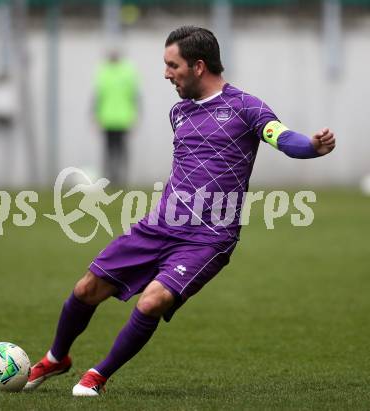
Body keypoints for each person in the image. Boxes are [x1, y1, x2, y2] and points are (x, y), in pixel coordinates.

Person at [24, 26, 336, 396]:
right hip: (160, 225)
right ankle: (57, 356)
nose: (166, 73)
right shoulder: (179, 112)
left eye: (172, 65)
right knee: (86, 288)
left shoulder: (246, 107)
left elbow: (282, 137)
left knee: (153, 300)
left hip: (209, 237)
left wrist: (312, 146)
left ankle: (98, 376)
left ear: (198, 66)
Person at [93, 50, 139, 186]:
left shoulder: (128, 71)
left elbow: (134, 96)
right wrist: (95, 116)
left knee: (121, 151)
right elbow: (98, 96)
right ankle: (109, 179)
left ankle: (121, 179)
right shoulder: (103, 71)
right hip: (107, 119)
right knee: (109, 151)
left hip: (123, 119)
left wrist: (135, 116)